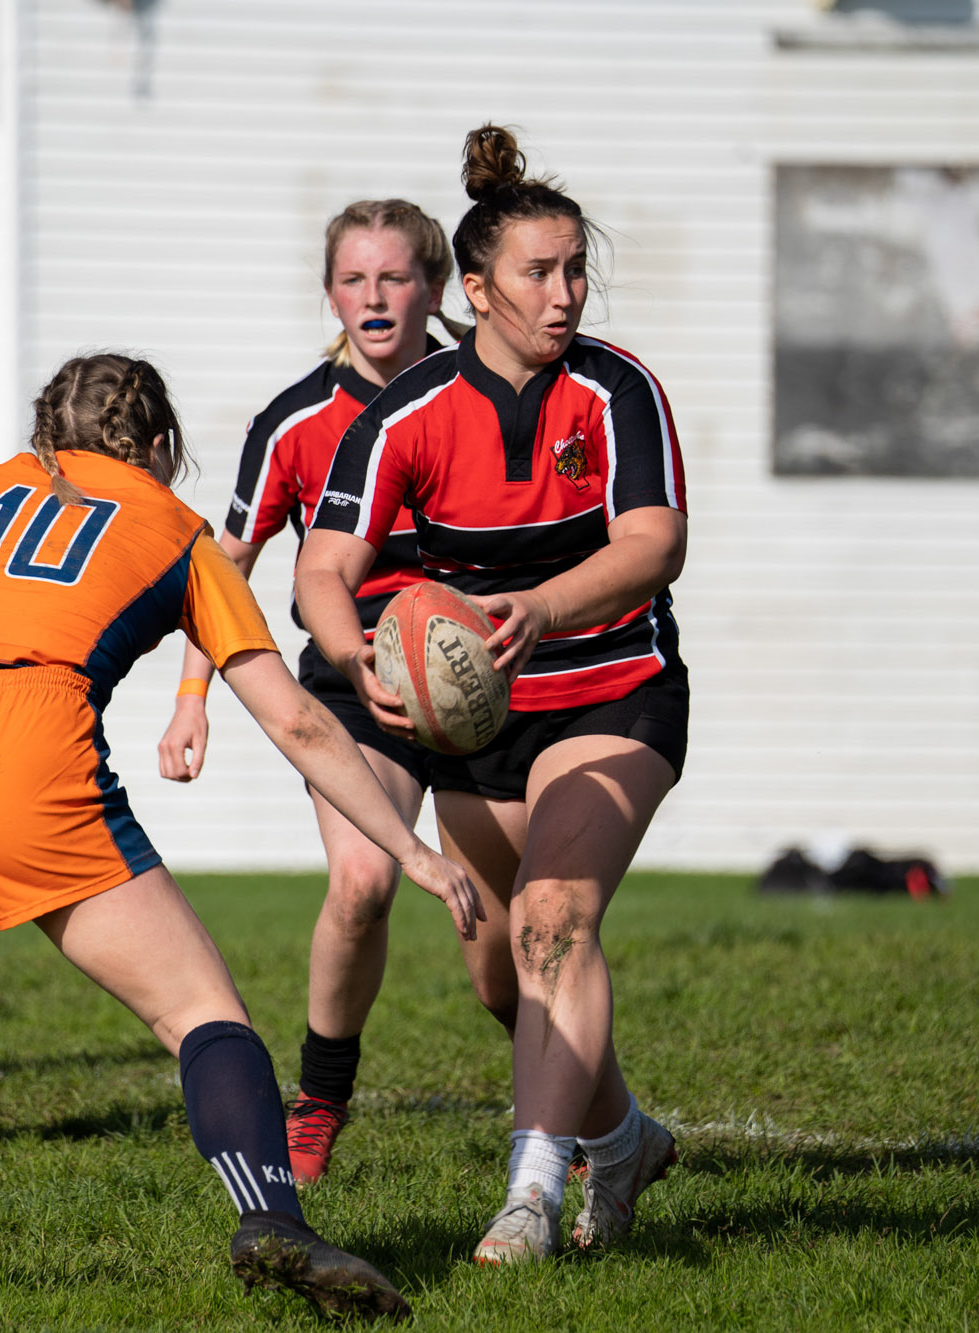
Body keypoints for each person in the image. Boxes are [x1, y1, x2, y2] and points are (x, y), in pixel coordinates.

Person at [0, 353, 481, 1315]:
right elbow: (299, 719)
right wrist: (413, 850)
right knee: (200, 1012)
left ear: (46, 434)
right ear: (164, 447)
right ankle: (273, 1220)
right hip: (25, 748)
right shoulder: (181, 532)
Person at [298, 124, 688, 1264]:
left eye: (575, 270)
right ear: (474, 289)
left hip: (609, 692)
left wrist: (546, 609)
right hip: (478, 722)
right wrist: (357, 652)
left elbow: (655, 543)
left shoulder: (616, 391)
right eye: (537, 272)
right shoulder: (406, 413)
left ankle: (529, 1192)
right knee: (497, 967)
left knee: (554, 919)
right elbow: (324, 567)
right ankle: (620, 1141)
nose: (564, 293)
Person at [156, 198, 462, 1182]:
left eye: (394, 277)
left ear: (435, 285)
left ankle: (584, 1120)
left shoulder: (485, 390)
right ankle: (320, 1097)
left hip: (481, 681)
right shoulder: (292, 419)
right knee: (364, 879)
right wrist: (192, 694)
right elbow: (225, 561)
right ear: (329, 291)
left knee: (508, 922)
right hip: (349, 681)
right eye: (352, 279)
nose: (372, 298)